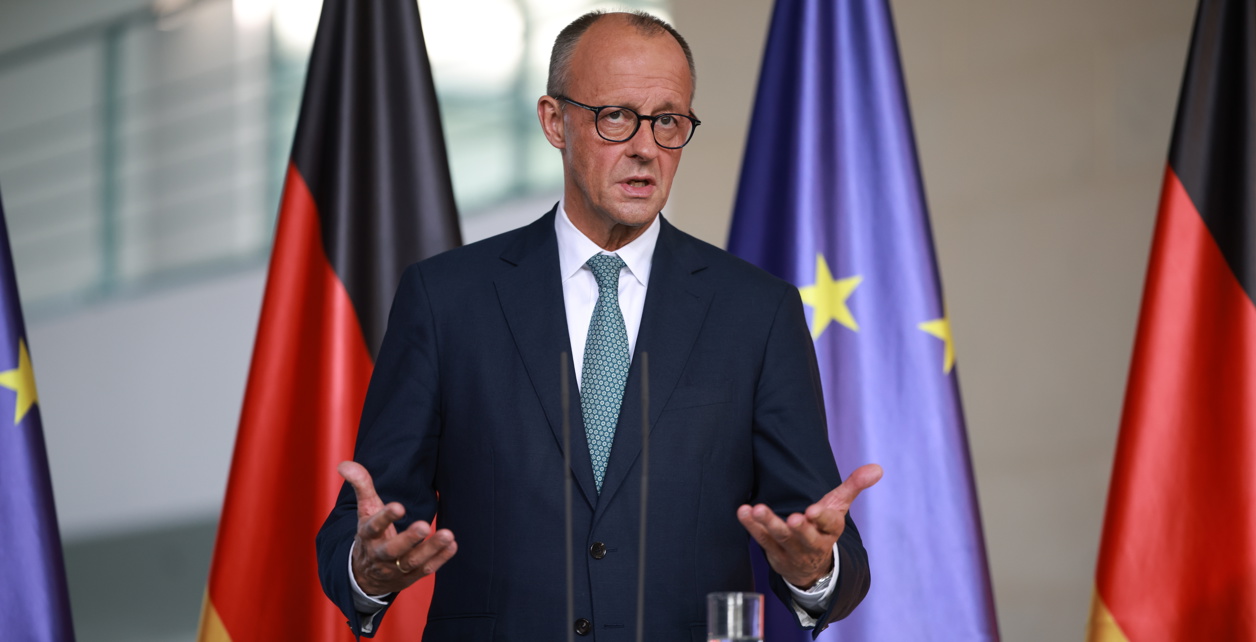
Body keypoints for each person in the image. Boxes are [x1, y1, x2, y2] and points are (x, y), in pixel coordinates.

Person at [316, 10, 881, 641]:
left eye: (668, 120)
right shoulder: (446, 299)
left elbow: (826, 546)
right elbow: (363, 526)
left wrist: (815, 569)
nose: (646, 147)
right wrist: (368, 570)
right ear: (554, 121)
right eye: (616, 116)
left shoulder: (757, 311)